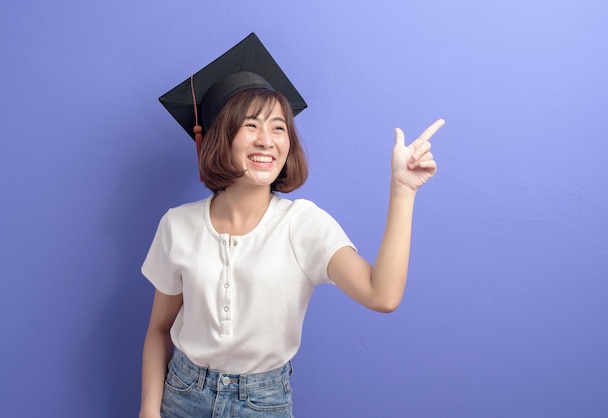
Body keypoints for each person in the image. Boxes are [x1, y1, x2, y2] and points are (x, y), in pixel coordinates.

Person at [139, 33, 444, 418]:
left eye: (279, 127)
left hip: (262, 403)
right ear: (218, 136)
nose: (267, 140)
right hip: (182, 395)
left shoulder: (304, 225)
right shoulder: (177, 225)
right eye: (251, 125)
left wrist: (402, 190)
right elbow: (158, 329)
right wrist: (149, 411)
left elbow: (381, 295)